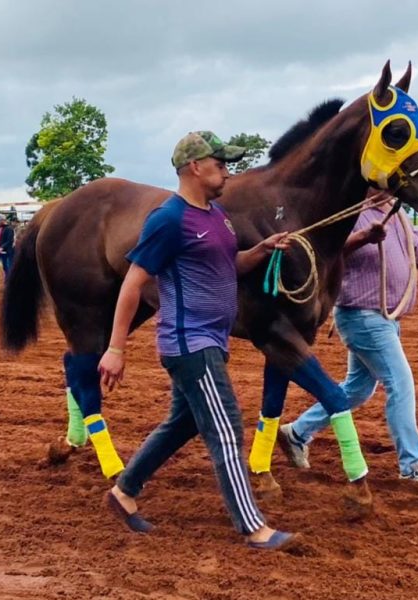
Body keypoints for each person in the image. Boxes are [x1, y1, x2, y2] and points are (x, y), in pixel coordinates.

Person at [98, 131, 297, 550]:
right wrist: (116, 348)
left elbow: (228, 265)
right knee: (226, 428)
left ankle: (124, 491)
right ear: (195, 167)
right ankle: (252, 526)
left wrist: (261, 249)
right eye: (221, 164)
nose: (227, 171)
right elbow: (134, 283)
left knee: (182, 423)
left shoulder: (216, 216)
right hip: (190, 343)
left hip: (210, 340)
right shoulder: (168, 220)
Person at [278, 190, 418, 484]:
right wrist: (363, 238)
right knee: (400, 384)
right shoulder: (350, 211)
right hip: (364, 316)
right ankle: (413, 466)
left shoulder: (394, 211)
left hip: (381, 317)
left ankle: (296, 433)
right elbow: (327, 252)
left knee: (358, 389)